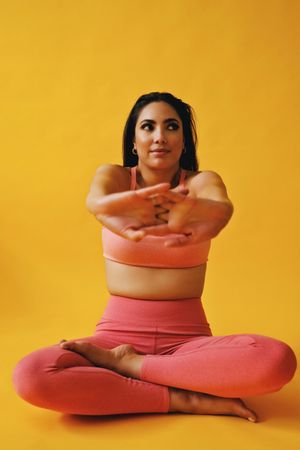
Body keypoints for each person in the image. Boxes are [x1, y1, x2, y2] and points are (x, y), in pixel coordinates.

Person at [12, 92, 297, 422]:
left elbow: (220, 205)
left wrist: (212, 213)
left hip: (188, 343)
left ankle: (129, 366)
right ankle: (182, 398)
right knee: (32, 376)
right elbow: (97, 198)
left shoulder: (202, 182)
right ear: (134, 140)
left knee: (276, 360)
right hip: (114, 338)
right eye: (148, 126)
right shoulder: (117, 178)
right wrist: (106, 208)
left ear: (183, 140)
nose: (160, 136)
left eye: (171, 126)